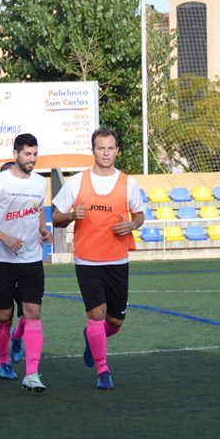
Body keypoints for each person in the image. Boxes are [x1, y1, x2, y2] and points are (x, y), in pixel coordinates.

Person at [52, 128, 144, 390]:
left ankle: (91, 338)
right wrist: (71, 215)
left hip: (117, 260)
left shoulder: (129, 183)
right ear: (93, 150)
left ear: (117, 151)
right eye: (101, 148)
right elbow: (56, 216)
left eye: (110, 148)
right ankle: (103, 371)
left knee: (114, 321)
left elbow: (139, 215)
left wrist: (132, 225)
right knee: (96, 313)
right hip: (87, 260)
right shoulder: (77, 182)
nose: (106, 152)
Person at [0, 135, 52, 391]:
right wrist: (5, 237)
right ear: (16, 153)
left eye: (34, 154)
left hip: (31, 260)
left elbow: (38, 208)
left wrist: (43, 231)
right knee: (3, 314)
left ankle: (32, 374)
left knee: (33, 314)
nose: (31, 159)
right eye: (27, 154)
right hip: (2, 260)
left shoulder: (41, 184)